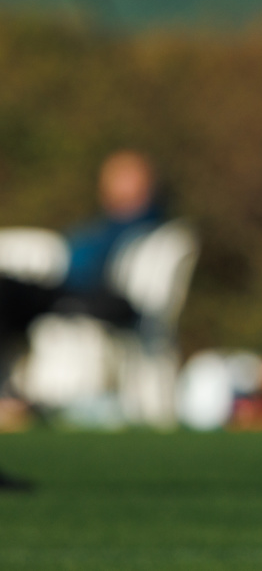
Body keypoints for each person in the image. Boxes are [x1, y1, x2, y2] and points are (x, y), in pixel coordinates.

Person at [0, 149, 167, 489]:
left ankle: (6, 398)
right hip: (60, 291)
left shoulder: (142, 224)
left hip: (87, 297)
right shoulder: (107, 223)